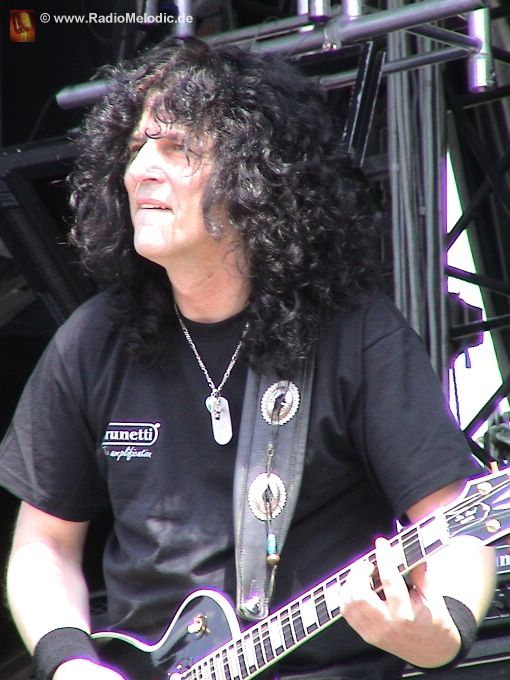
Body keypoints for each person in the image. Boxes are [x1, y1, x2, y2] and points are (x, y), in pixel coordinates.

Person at [0, 36, 496, 680]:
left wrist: (436, 634)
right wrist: (69, 662)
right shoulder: (93, 340)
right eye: (137, 146)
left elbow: (458, 523)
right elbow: (44, 542)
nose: (140, 168)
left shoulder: (355, 335)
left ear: (254, 181)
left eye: (177, 148)